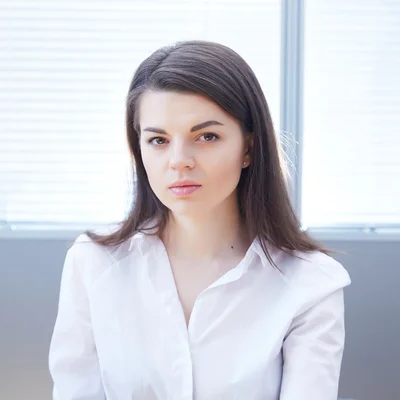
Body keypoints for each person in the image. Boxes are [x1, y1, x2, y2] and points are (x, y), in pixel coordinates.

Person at [48, 40, 351, 400]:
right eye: (158, 140)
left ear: (249, 148)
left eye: (207, 136)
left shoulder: (310, 284)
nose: (179, 161)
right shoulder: (93, 264)